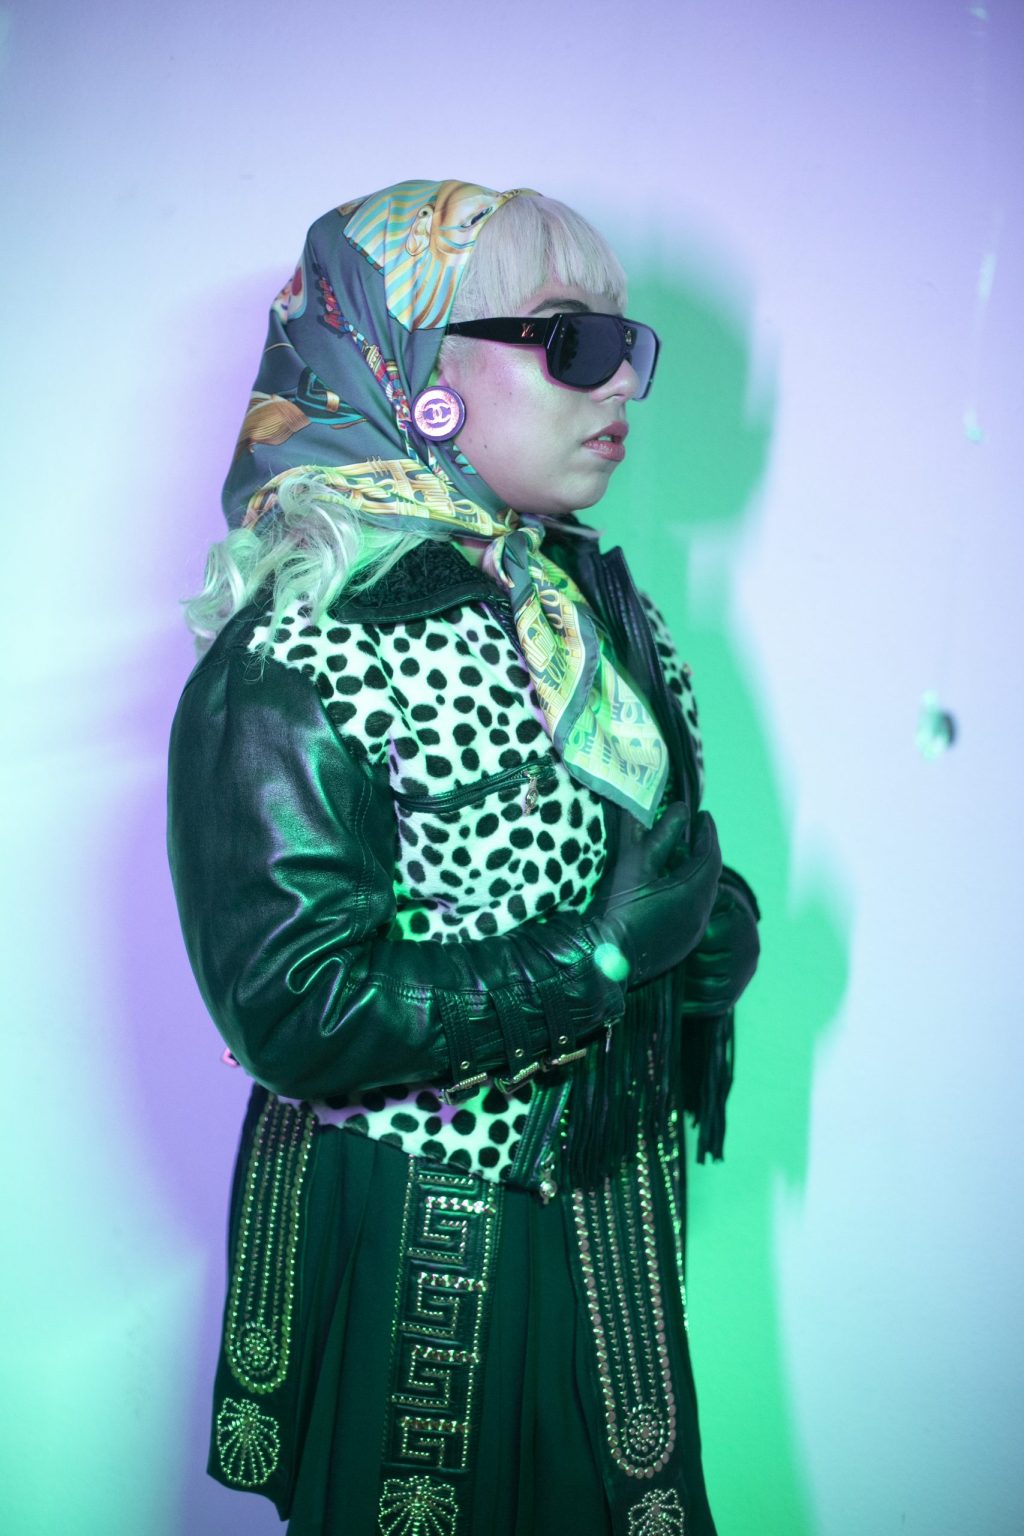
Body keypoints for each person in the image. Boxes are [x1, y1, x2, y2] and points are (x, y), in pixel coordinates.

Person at [168, 178, 760, 1536]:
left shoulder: (585, 612)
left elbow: (623, 863)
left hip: (606, 1224)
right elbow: (294, 1010)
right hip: (421, 1232)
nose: (623, 382)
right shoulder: (301, 645)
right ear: (421, 369)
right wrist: (600, 956)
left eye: (628, 345)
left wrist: (701, 938)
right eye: (572, 343)